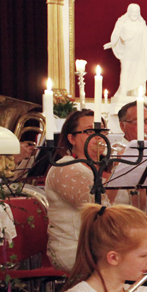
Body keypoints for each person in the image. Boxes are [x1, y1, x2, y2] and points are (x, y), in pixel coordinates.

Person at [46, 110, 114, 272]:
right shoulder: (67, 168)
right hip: (76, 247)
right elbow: (100, 210)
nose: (98, 136)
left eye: (102, 131)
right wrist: (120, 176)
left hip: (108, 243)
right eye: (90, 131)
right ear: (72, 138)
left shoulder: (109, 166)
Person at [104, 3, 147, 100]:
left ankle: (137, 93)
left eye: (137, 12)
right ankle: (123, 93)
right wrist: (111, 43)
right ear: (129, 12)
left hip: (140, 55)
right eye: (133, 12)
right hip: (127, 53)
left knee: (140, 73)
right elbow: (116, 35)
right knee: (125, 71)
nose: (134, 14)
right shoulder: (122, 22)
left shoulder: (141, 24)